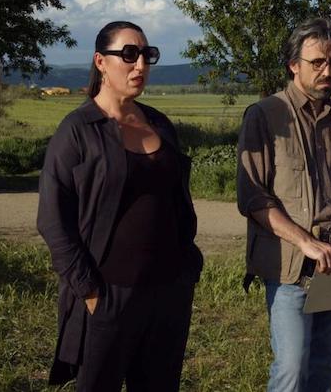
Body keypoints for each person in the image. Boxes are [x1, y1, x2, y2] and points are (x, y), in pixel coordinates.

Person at [37, 21, 203, 391]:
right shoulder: (79, 130)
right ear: (100, 61)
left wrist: (188, 267)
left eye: (147, 54)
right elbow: (53, 220)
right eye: (129, 54)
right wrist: (90, 291)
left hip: (169, 293)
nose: (140, 64)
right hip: (108, 295)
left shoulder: (159, 123)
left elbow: (177, 200)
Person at [236, 17, 331, 391]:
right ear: (293, 65)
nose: (327, 71)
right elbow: (252, 196)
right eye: (317, 62)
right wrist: (305, 241)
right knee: (291, 369)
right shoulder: (265, 115)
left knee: (323, 367)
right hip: (291, 266)